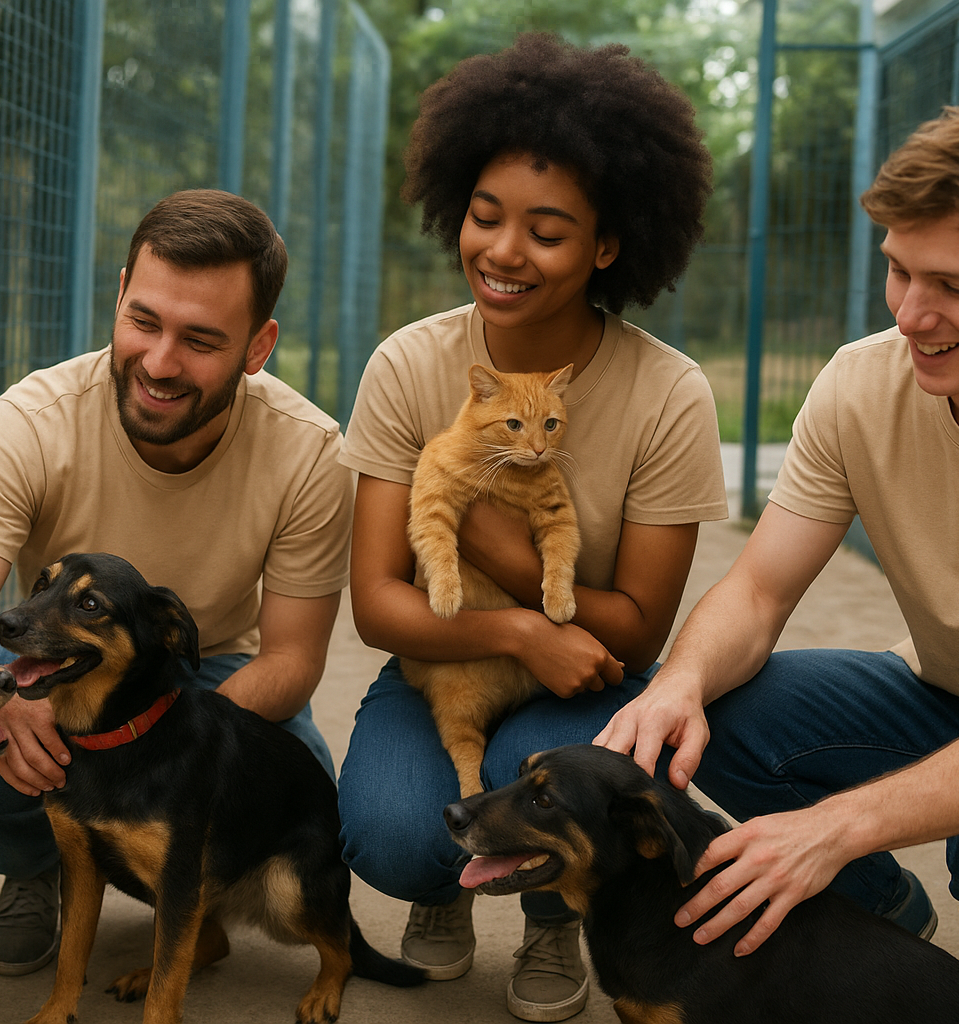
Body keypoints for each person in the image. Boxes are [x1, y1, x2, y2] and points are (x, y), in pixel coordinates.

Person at [597, 89, 959, 1024]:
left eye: (954, 286)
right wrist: (678, 683)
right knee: (712, 714)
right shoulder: (861, 381)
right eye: (898, 272)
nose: (912, 314)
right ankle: (874, 905)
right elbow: (756, 590)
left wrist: (832, 828)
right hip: (944, 693)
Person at [335, 34, 727, 1022]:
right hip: (453, 648)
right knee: (392, 831)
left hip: (588, 672)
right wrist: (515, 626)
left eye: (546, 231)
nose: (503, 251)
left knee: (540, 785)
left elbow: (636, 626)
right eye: (484, 216)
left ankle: (560, 915)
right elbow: (380, 601)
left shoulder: (667, 392)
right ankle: (445, 886)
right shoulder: (408, 364)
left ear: (606, 245)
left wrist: (498, 547)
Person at [0, 188, 354, 976]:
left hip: (212, 674)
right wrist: (14, 715)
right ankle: (37, 862)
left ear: (258, 344)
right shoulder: (34, 419)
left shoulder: (309, 451)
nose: (160, 361)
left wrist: (177, 744)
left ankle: (176, 882)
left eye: (202, 339)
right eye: (143, 321)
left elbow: (291, 660)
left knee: (301, 788)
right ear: (117, 295)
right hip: (59, 661)